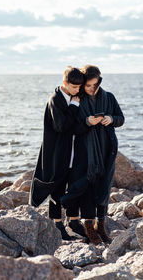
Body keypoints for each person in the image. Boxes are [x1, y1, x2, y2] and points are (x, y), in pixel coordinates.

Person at [61, 65, 125, 244]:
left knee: (104, 186)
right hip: (86, 151)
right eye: (88, 85)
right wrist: (87, 122)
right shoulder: (78, 99)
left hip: (106, 148)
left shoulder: (109, 97)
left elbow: (121, 118)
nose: (91, 89)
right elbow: (72, 128)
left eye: (94, 85)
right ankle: (89, 229)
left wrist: (111, 119)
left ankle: (101, 227)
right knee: (88, 186)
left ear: (99, 82)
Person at [29, 66, 89, 240]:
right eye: (74, 87)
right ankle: (57, 225)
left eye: (79, 87)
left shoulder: (72, 97)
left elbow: (74, 126)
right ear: (65, 83)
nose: (77, 90)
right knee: (56, 189)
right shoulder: (56, 99)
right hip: (57, 154)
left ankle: (74, 221)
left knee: (74, 187)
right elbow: (61, 126)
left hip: (71, 153)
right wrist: (74, 105)